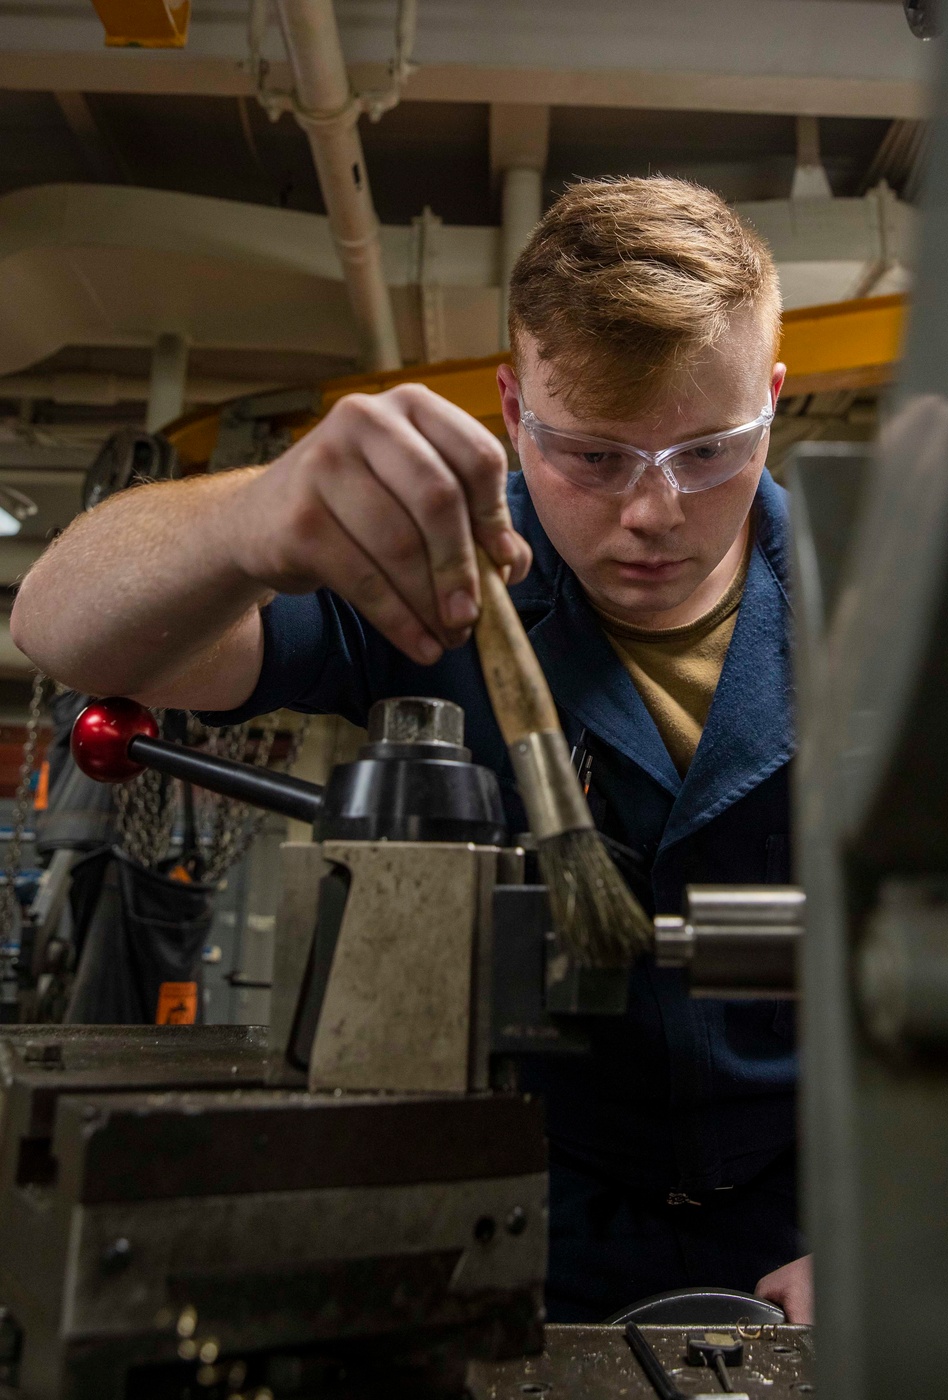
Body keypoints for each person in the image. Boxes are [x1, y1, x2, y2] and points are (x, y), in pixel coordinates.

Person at [11, 175, 811, 1325]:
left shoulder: (897, 603)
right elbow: (57, 622)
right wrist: (252, 514)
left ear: (772, 400)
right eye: (592, 456)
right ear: (510, 406)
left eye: (706, 452)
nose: (654, 511)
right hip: (512, 1227)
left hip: (820, 1234)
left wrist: (926, 1220)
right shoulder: (430, 570)